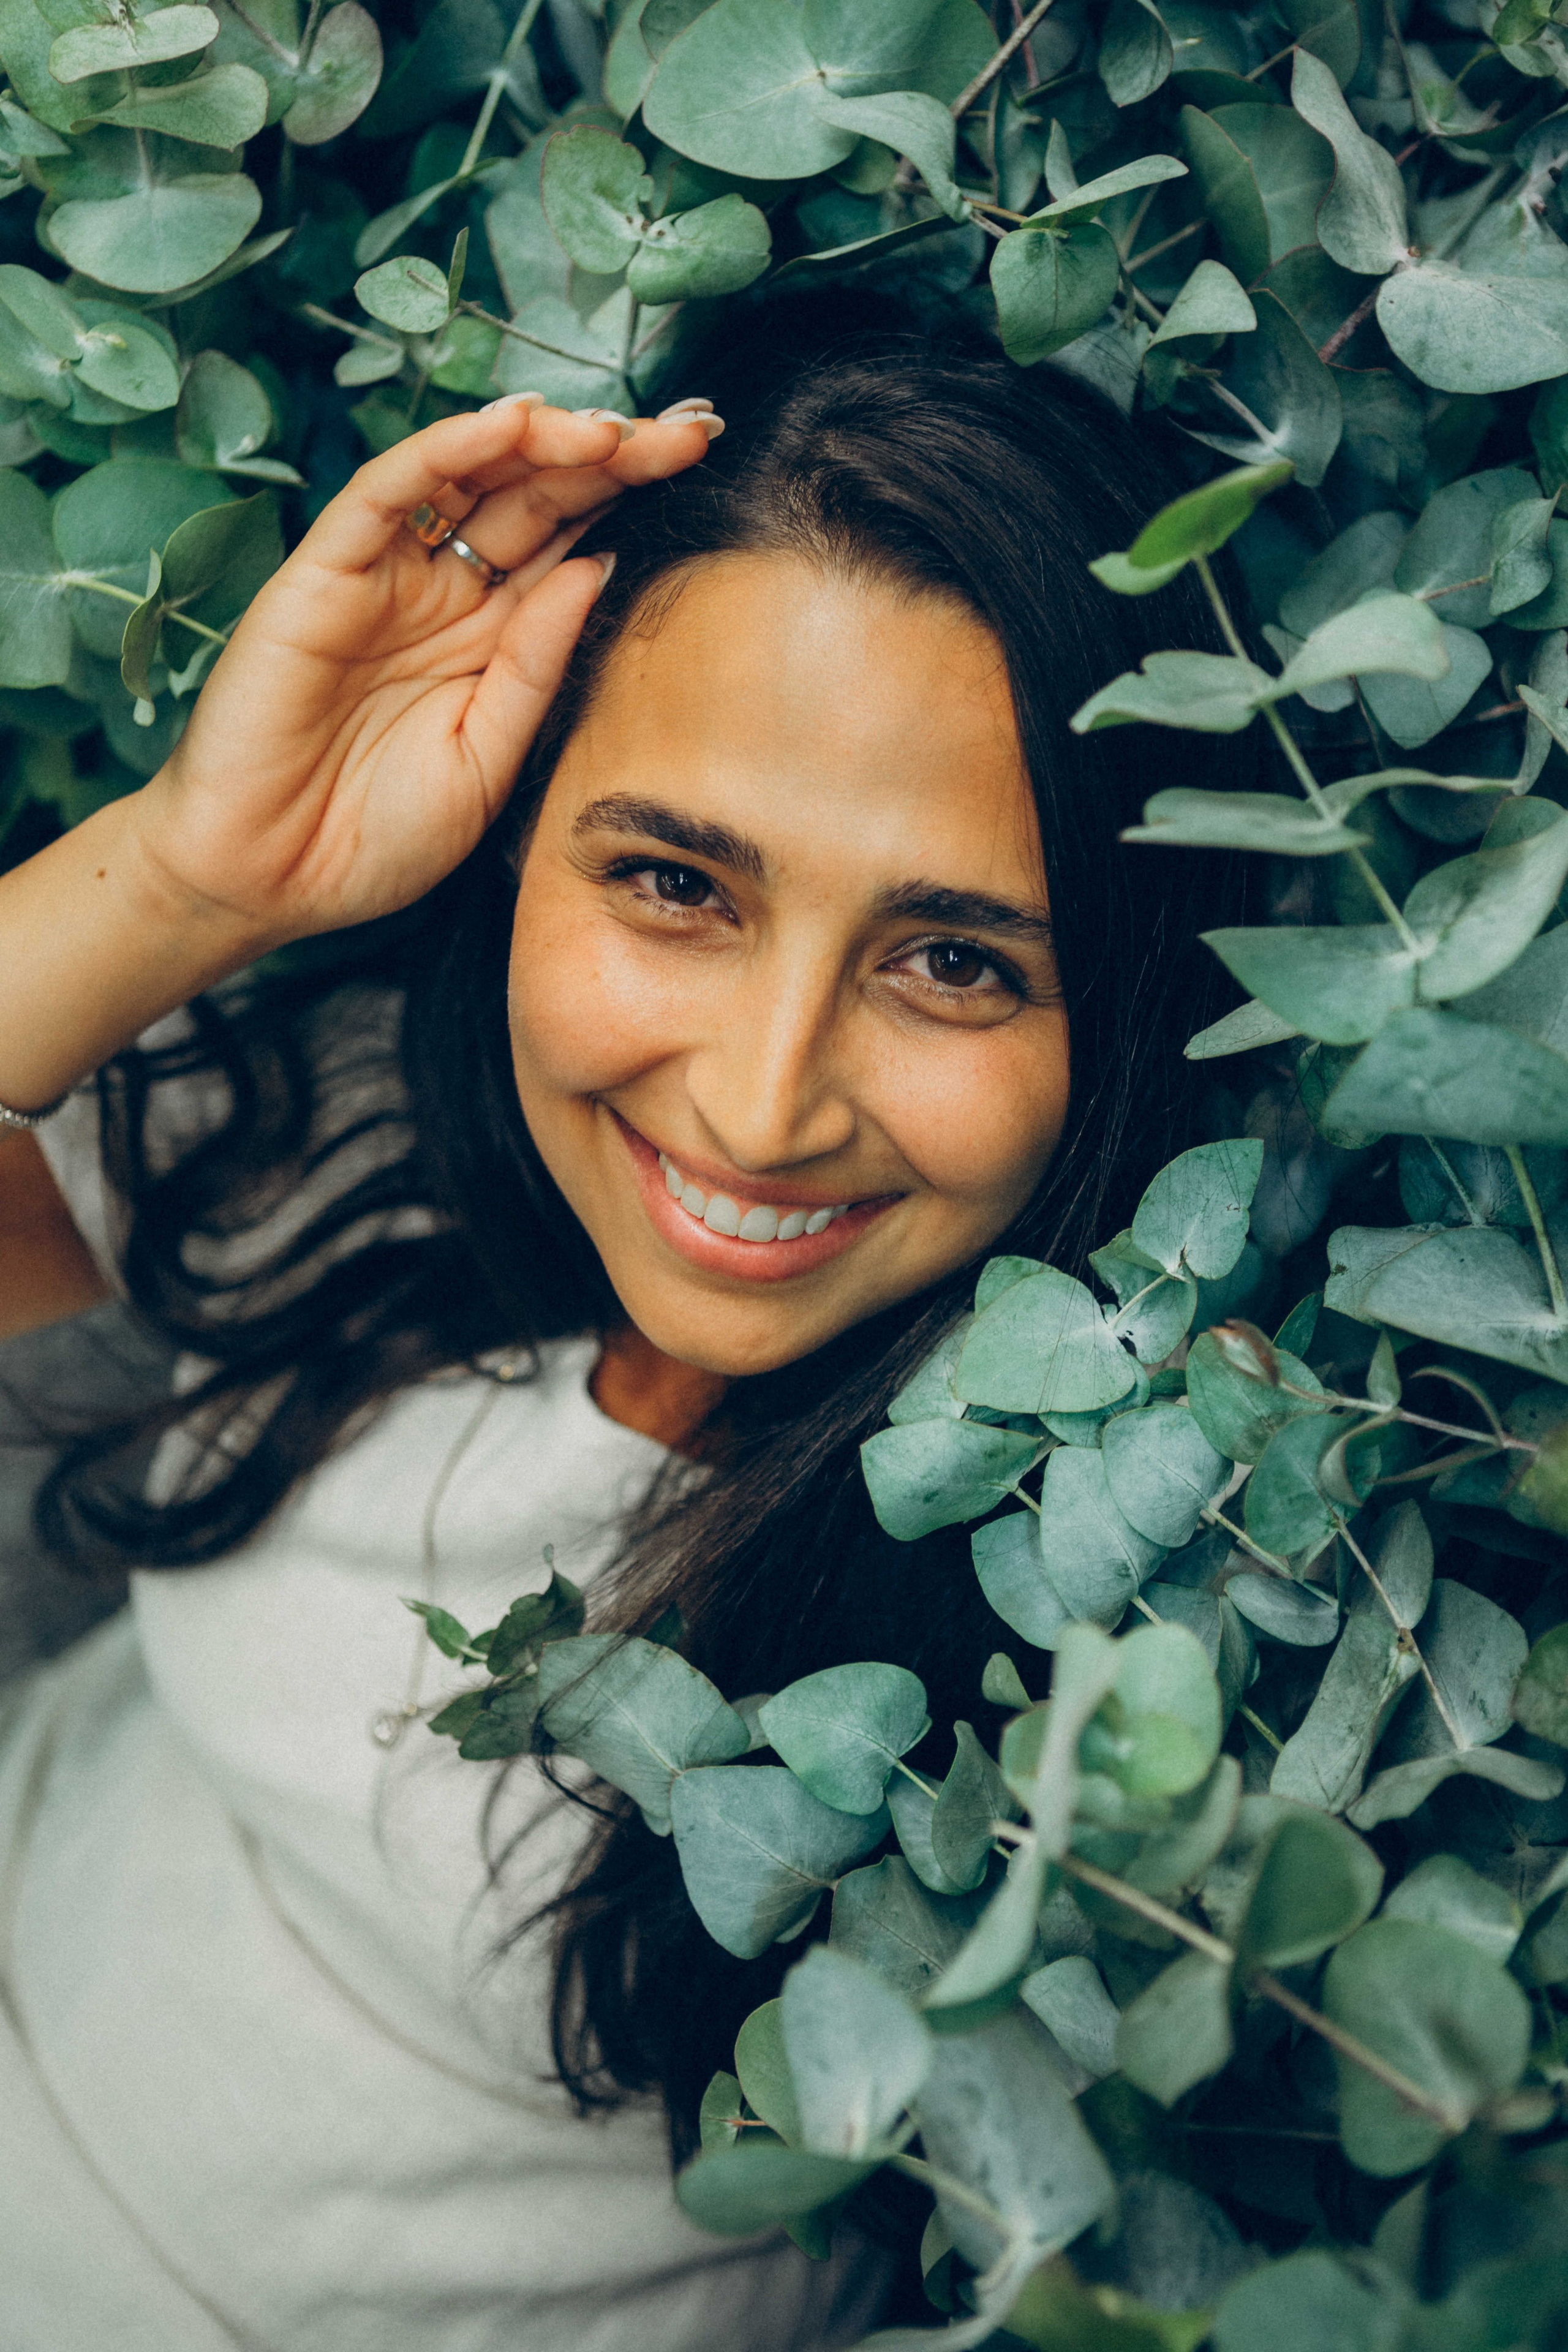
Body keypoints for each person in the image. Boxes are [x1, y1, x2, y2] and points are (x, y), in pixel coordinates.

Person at [0, 306, 1243, 2349]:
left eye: (954, 959)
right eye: (677, 883)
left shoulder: (1107, 1618)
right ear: (518, 823)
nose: (759, 1107)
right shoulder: (383, 1131)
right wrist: (198, 880)